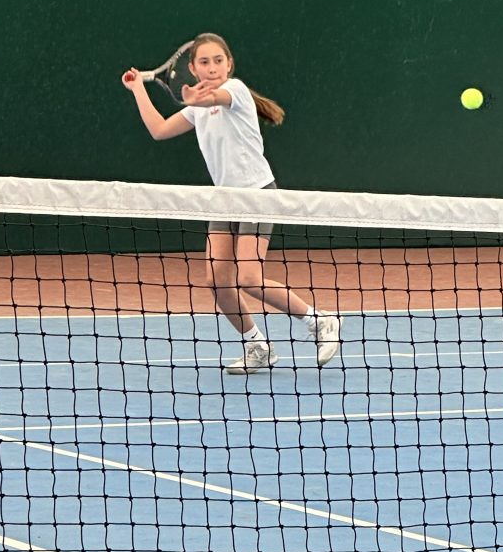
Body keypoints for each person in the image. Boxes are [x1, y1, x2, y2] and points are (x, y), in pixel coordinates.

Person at [122, 32, 340, 374]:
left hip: (256, 194)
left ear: (229, 65)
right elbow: (159, 129)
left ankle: (319, 321)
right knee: (216, 281)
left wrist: (196, 99)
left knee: (250, 278)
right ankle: (257, 345)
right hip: (225, 200)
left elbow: (216, 98)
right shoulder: (197, 110)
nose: (212, 68)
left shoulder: (235, 91)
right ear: (193, 68)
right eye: (204, 62)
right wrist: (138, 89)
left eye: (218, 61)